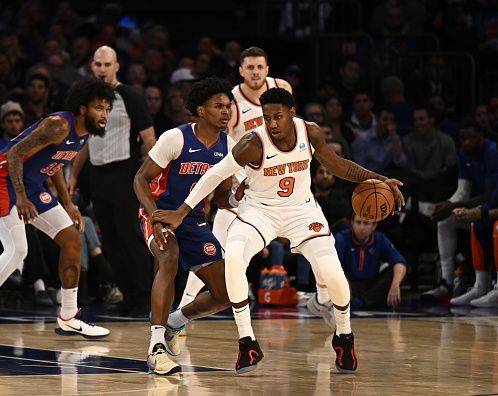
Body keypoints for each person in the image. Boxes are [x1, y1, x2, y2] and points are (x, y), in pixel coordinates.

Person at [154, 88, 405, 373]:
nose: (272, 123)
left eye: (277, 117)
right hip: (260, 211)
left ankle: (344, 337)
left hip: (302, 211)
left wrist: (381, 179)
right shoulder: (253, 142)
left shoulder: (309, 133)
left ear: (292, 114)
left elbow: (338, 166)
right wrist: (182, 210)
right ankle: (247, 342)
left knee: (333, 273)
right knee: (234, 258)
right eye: (267, 117)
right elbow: (215, 174)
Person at [0, 77, 115, 346]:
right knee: (17, 250)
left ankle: (69, 316)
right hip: (1, 178)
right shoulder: (58, 125)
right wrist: (22, 197)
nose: (104, 114)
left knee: (72, 238)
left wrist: (68, 203)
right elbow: (13, 154)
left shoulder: (84, 134)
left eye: (107, 108)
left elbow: (56, 162)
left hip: (32, 183)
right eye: (99, 108)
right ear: (83, 108)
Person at [177, 46, 294, 315]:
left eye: (260, 67)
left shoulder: (282, 88)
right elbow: (221, 149)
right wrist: (218, 188)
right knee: (212, 250)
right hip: (242, 186)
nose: (255, 72)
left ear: (267, 69)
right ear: (241, 71)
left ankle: (322, 298)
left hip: (276, 183)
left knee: (313, 237)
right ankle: (184, 308)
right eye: (249, 68)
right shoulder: (233, 103)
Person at [133, 77, 237, 375]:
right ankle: (156, 348)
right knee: (169, 257)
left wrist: (237, 196)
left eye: (228, 106)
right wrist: (154, 218)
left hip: (193, 220)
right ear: (201, 110)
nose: (226, 112)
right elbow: (140, 179)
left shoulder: (228, 147)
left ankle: (175, 322)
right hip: (158, 213)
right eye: (218, 106)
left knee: (224, 294)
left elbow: (219, 197)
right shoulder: (175, 138)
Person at [68, 45, 156, 317]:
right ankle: (129, 296)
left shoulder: (129, 96)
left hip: (125, 173)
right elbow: (84, 141)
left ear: (117, 66)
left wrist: (150, 177)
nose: (103, 69)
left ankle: (145, 297)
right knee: (112, 241)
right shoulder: (88, 101)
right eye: (98, 64)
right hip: (98, 176)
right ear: (92, 67)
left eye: (108, 64)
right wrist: (72, 174)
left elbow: (150, 140)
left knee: (131, 237)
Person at [426, 124, 497, 303]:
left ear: (480, 135)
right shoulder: (464, 154)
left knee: (482, 222)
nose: (466, 142)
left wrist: (454, 205)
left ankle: (491, 283)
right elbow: (463, 191)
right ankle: (447, 282)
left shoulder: (491, 152)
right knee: (446, 221)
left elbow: (490, 194)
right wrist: (449, 205)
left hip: (492, 206)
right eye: (463, 139)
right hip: (481, 208)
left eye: (470, 138)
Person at [334, 214, 408, 308]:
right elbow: (334, 265)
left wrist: (395, 284)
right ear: (352, 223)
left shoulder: (380, 239)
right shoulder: (341, 238)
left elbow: (400, 262)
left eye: (366, 223)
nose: (361, 227)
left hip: (371, 285)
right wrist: (343, 281)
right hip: (349, 283)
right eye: (358, 222)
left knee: (398, 274)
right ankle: (368, 301)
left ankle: (361, 302)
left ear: (374, 226)